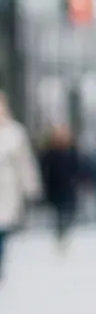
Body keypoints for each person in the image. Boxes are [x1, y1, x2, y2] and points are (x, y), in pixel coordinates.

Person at [0, 91, 41, 278]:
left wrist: (31, 187)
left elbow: (25, 163)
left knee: (2, 229)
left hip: (7, 187)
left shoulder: (15, 132)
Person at [38, 123, 82, 245]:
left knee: (68, 213)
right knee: (58, 214)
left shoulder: (72, 150)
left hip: (69, 187)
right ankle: (60, 235)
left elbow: (78, 168)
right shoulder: (48, 152)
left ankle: (63, 233)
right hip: (55, 188)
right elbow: (44, 170)